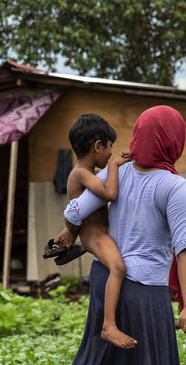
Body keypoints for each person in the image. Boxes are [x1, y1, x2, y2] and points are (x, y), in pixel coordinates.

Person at [32, 105, 186, 365]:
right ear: (172, 141)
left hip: (105, 279)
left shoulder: (115, 173)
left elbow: (75, 208)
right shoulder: (173, 186)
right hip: (145, 292)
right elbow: (185, 246)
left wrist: (70, 233)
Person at [43, 113, 135, 349]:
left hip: (99, 232)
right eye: (110, 147)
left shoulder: (88, 172)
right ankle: (109, 326)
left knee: (121, 268)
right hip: (94, 235)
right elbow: (109, 193)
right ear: (98, 146)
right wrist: (114, 166)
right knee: (119, 268)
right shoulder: (81, 173)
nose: (111, 153)